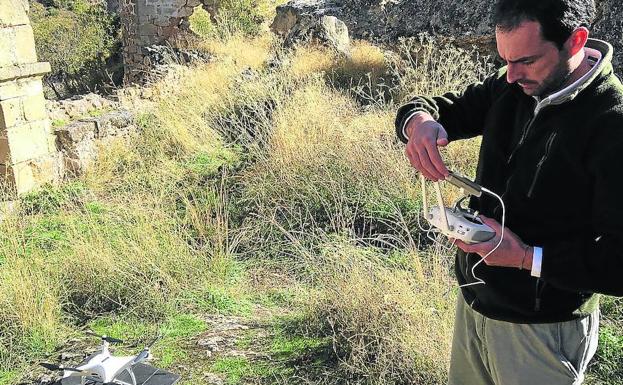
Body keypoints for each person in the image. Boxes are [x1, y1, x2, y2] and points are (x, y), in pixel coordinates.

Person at [394, 0, 623, 384]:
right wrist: (419, 123)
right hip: (475, 303)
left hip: (541, 329)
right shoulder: (512, 84)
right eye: (504, 59)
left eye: (526, 61)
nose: (510, 75)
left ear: (575, 41)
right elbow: (435, 108)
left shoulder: (611, 125)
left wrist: (525, 259)